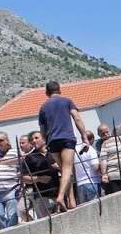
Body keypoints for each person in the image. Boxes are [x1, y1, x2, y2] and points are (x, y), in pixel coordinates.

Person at [37, 81, 90, 209]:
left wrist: (45, 141)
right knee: (68, 169)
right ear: (59, 90)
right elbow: (77, 118)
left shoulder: (43, 107)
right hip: (66, 138)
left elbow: (42, 130)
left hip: (52, 141)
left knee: (64, 171)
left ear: (46, 93)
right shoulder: (67, 101)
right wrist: (84, 137)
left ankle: (71, 201)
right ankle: (61, 197)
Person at [0, 131, 21, 229]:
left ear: (7, 141)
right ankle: (5, 232)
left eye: (1, 141)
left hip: (11, 189)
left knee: (12, 216)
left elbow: (20, 161)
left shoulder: (15, 152)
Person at [73, 136, 102, 203]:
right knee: (95, 207)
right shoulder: (91, 150)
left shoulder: (75, 150)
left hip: (80, 183)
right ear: (92, 139)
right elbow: (95, 167)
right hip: (92, 181)